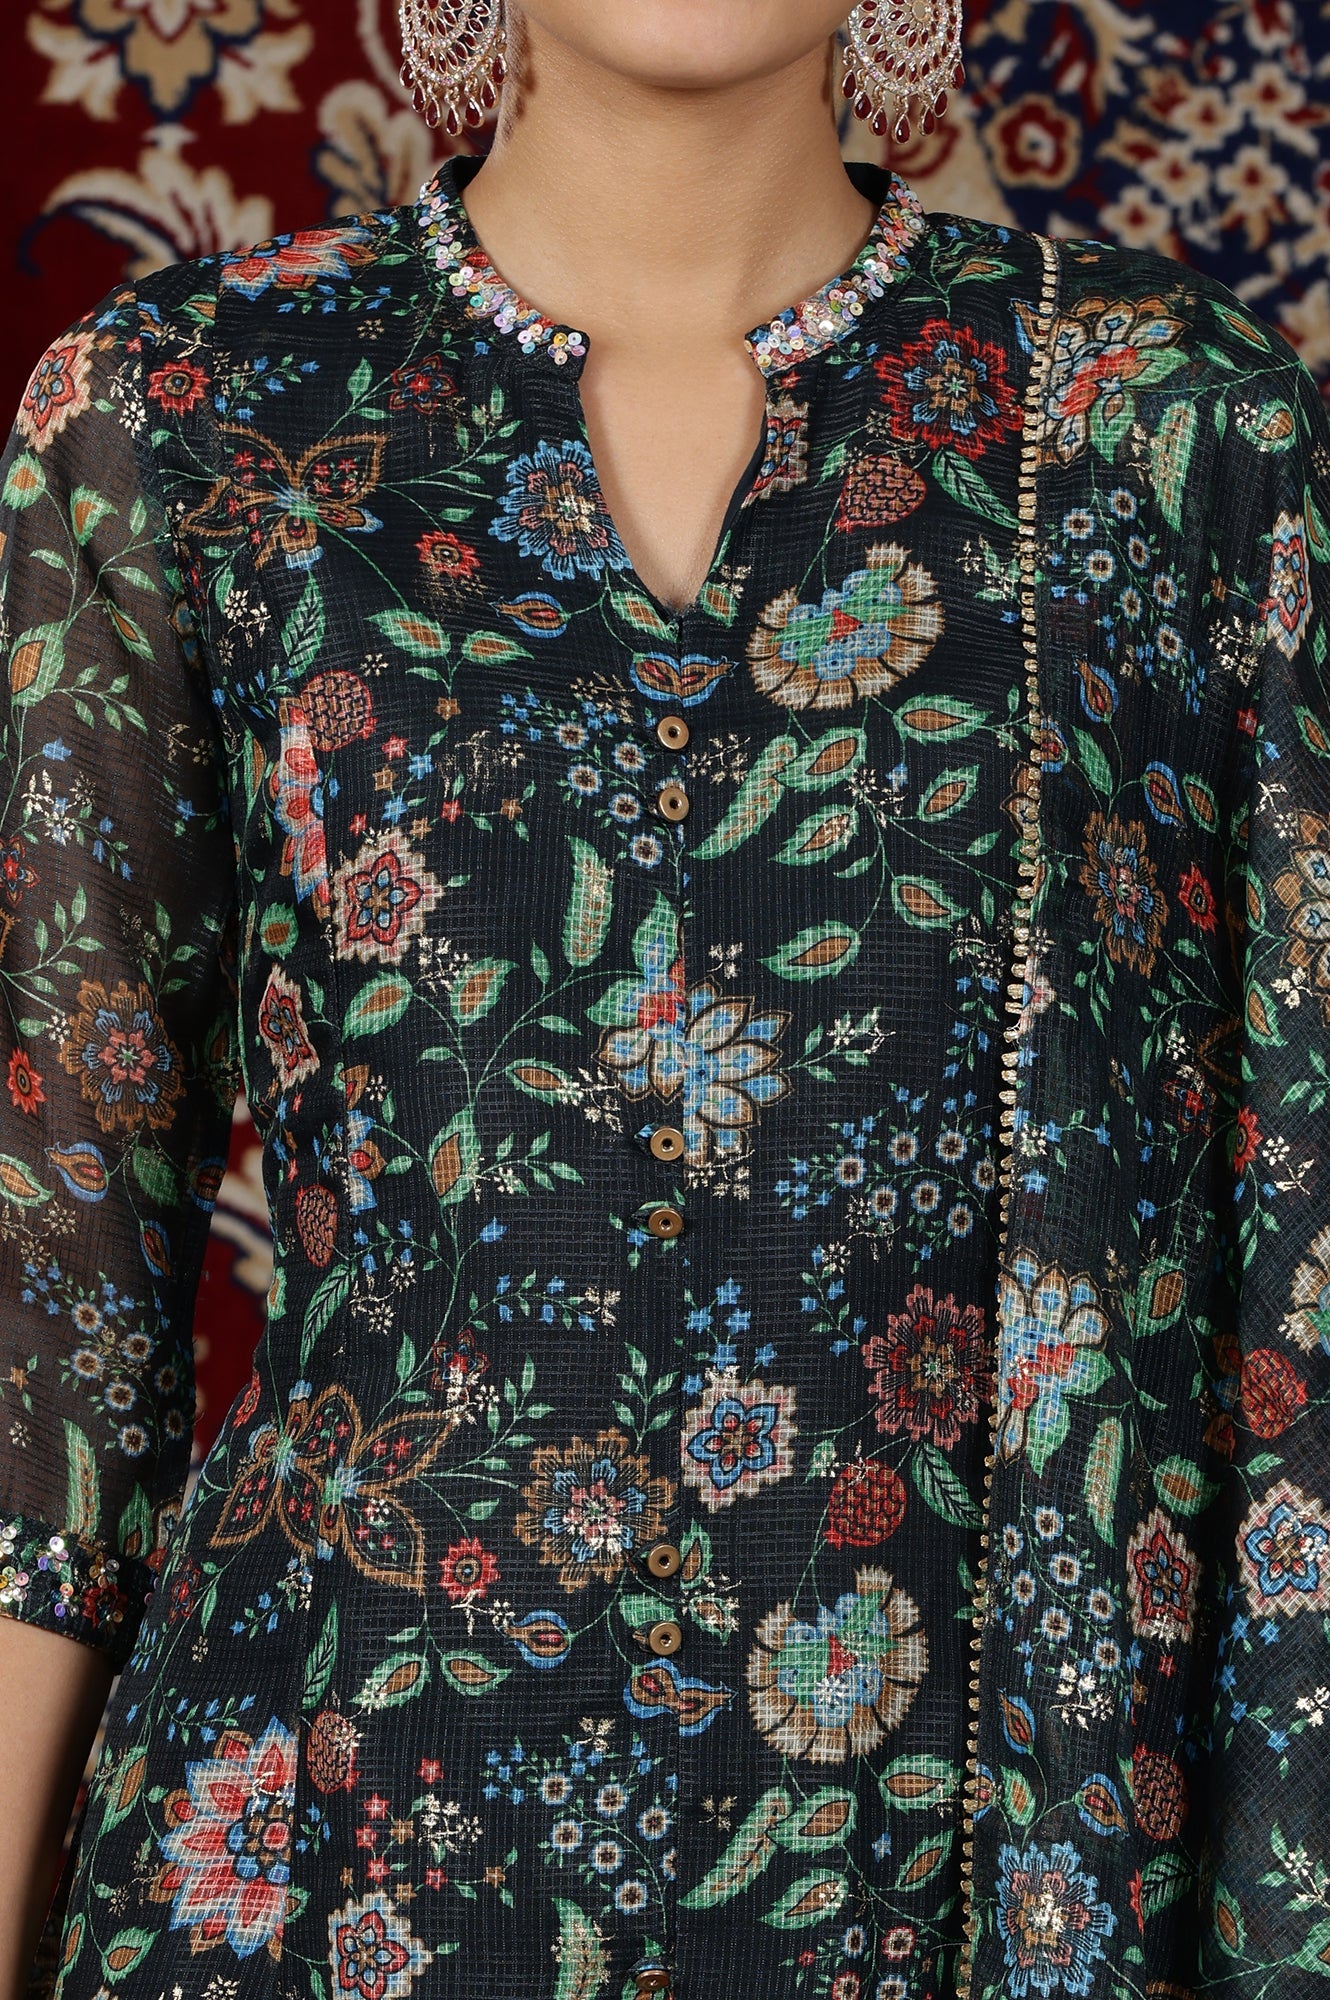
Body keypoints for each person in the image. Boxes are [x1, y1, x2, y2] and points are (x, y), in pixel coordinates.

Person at [1, 2, 1328, 1996]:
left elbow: (1296, 1260)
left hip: (983, 1889)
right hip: (321, 1865)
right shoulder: (190, 410)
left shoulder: (1168, 427)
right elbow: (51, 1307)